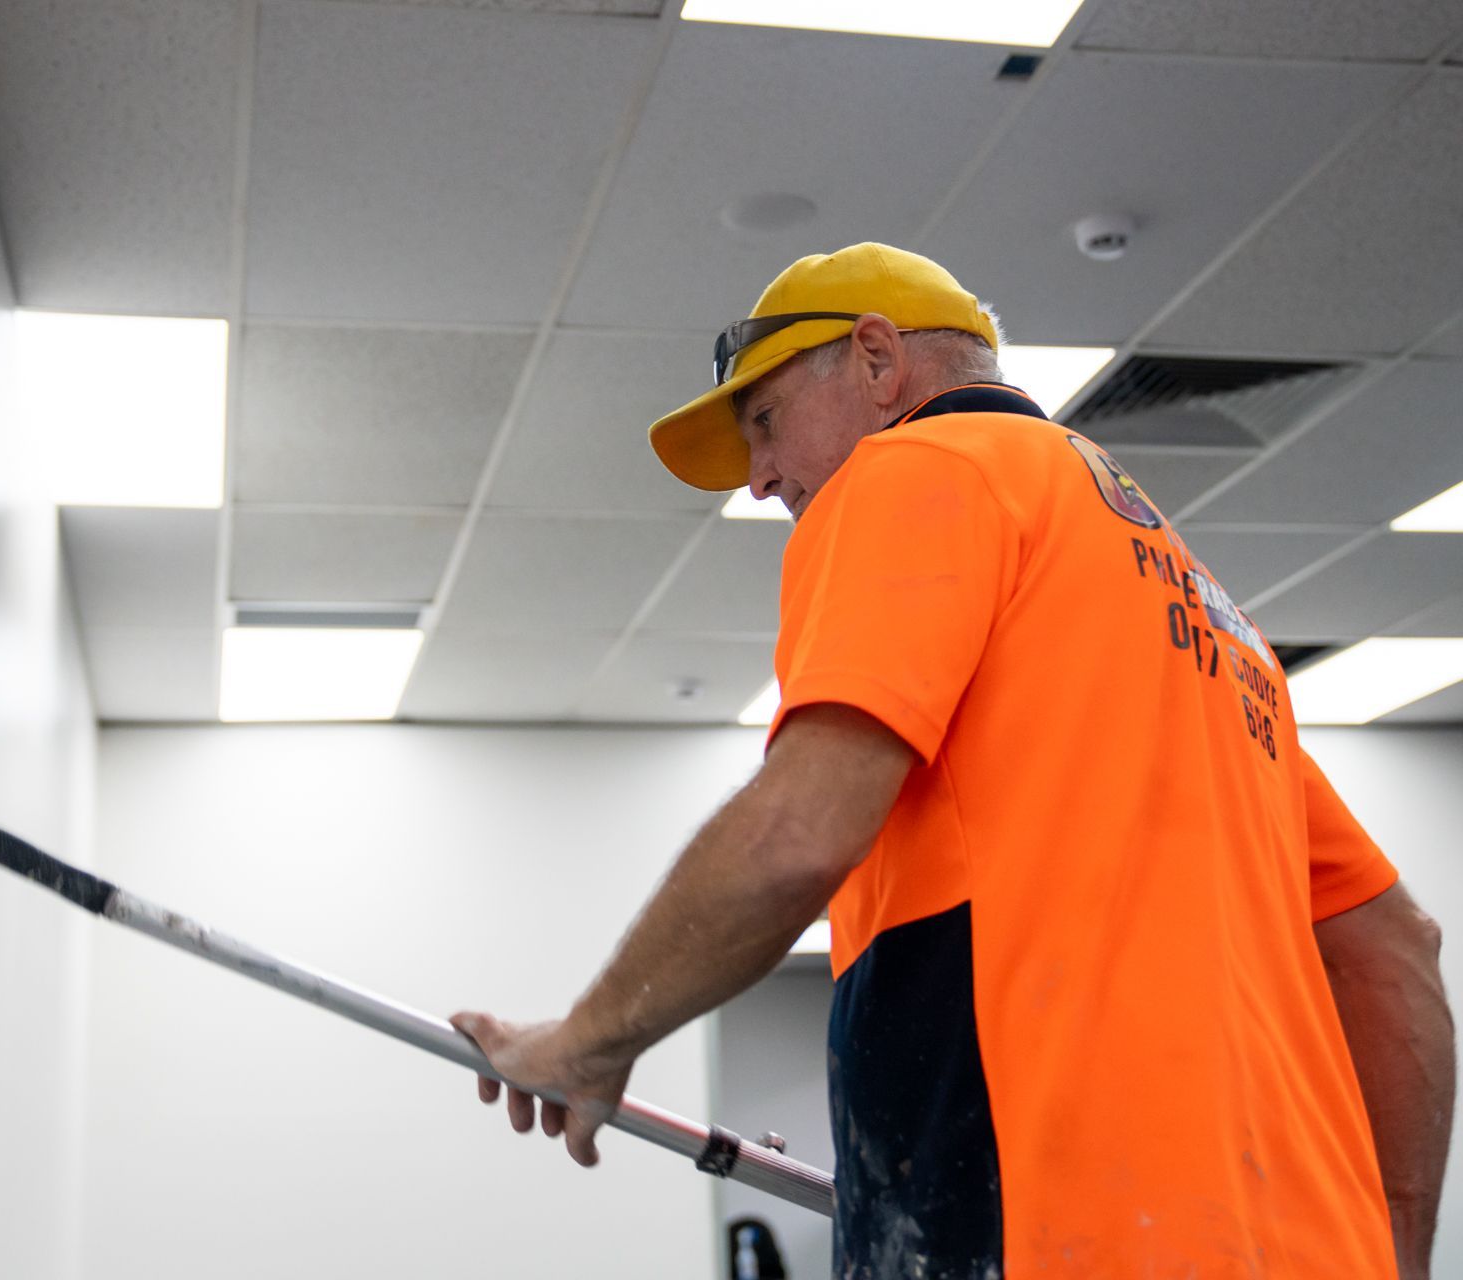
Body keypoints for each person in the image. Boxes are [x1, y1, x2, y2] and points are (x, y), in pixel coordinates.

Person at [451, 243, 1455, 1278]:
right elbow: (1393, 945)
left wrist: (592, 1036)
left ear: (879, 360)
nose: (759, 479)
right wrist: (1395, 1251)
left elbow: (798, 831)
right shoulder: (1206, 618)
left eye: (765, 422)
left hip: (1056, 1230)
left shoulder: (916, 468)